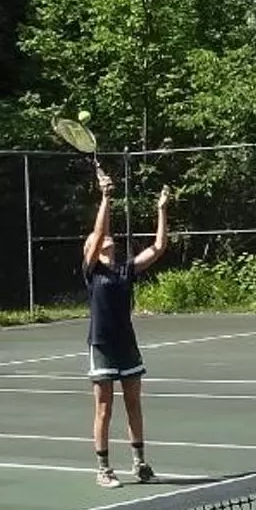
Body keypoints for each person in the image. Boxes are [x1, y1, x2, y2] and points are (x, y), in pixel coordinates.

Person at [82, 171, 171, 487]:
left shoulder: (125, 270)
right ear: (91, 248)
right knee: (104, 408)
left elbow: (159, 247)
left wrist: (161, 209)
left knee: (134, 403)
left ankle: (140, 463)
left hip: (127, 345)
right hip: (102, 346)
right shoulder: (92, 271)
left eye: (107, 236)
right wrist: (106, 197)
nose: (106, 237)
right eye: (99, 237)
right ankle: (103, 469)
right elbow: (98, 228)